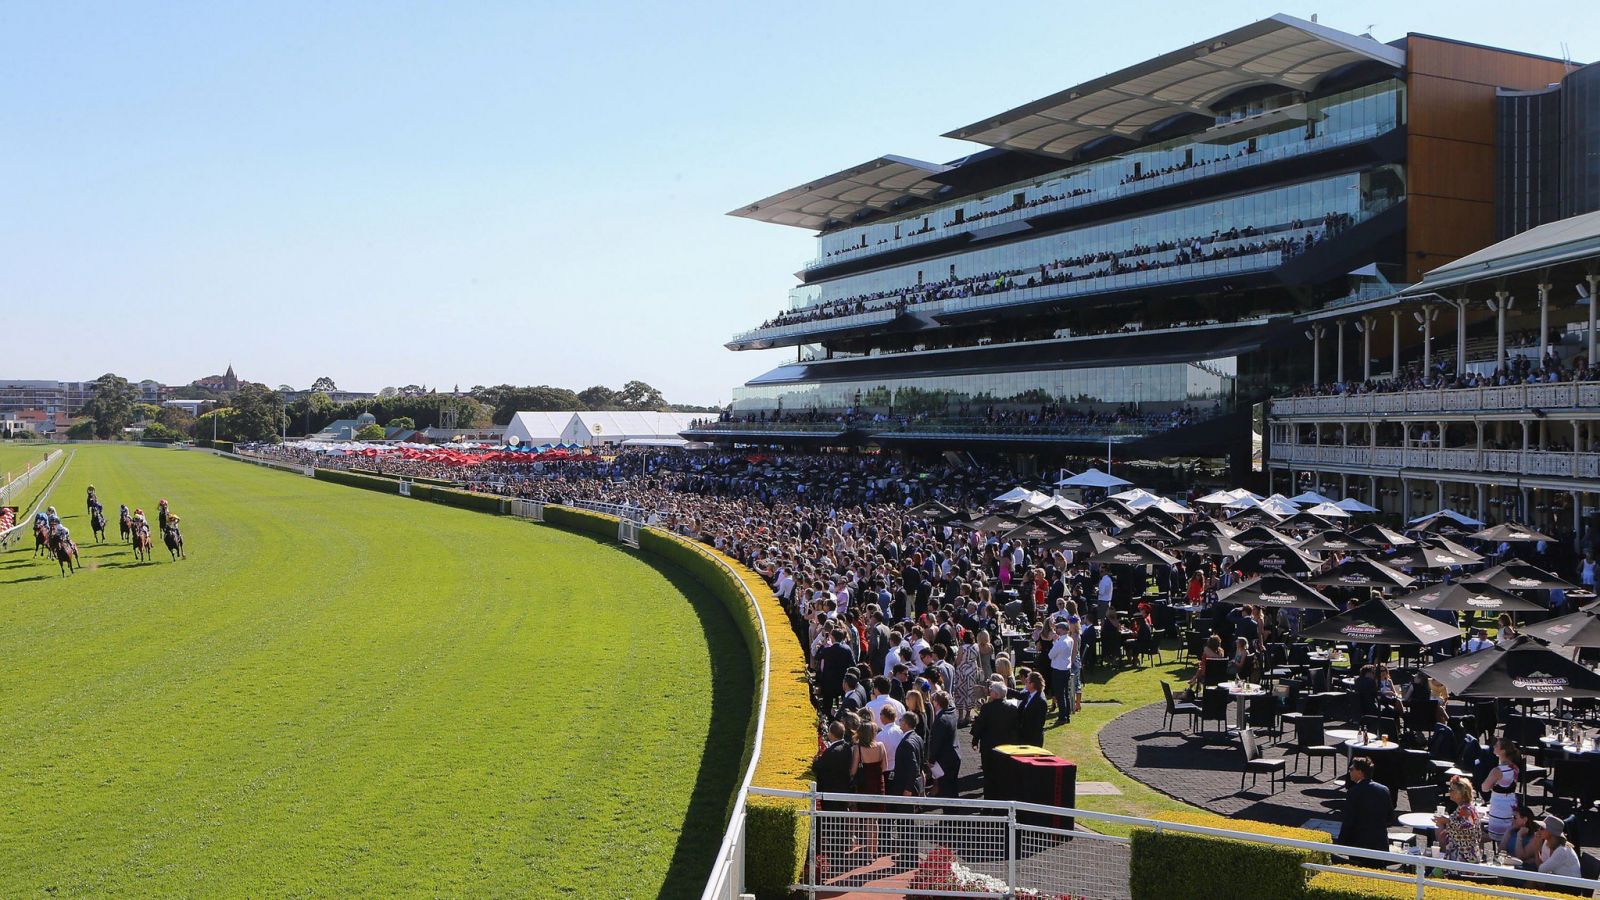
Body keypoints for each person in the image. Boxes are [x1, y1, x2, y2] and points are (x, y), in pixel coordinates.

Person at [970, 682, 1020, 798]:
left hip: (988, 747)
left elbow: (980, 725)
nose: (989, 692)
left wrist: (975, 740)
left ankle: (988, 804)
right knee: (1003, 775)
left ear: (996, 694)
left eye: (991, 691)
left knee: (988, 776)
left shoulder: (987, 708)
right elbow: (1015, 728)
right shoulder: (1012, 708)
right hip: (1005, 748)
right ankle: (1002, 804)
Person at [1337, 757, 1392, 859]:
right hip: (1380, 843)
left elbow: (1349, 820)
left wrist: (1341, 844)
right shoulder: (1384, 790)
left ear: (1360, 772)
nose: (1349, 772)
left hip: (1359, 845)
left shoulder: (1353, 792)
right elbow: (1390, 818)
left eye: (1351, 769)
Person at [1435, 778, 1485, 864]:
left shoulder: (1466, 809)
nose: (1449, 791)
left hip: (1464, 856)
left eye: (1452, 790)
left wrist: (1447, 821)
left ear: (1462, 793)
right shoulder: (1462, 807)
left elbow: (1469, 825)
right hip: (1458, 853)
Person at [1481, 738, 1522, 840]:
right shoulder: (1515, 767)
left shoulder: (1497, 771)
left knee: (1491, 836)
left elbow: (1484, 788)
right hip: (1511, 804)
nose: (1494, 747)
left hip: (1499, 807)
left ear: (1503, 751)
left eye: (1496, 746)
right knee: (1506, 837)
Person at [926, 690, 961, 798]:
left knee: (946, 788)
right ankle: (953, 811)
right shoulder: (952, 713)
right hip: (954, 755)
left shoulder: (941, 720)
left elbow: (937, 742)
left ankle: (950, 811)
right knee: (952, 786)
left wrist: (931, 760)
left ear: (936, 703)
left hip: (945, 760)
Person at [889, 713, 925, 797]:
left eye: (901, 720)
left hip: (906, 787)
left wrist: (908, 789)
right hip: (914, 785)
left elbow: (913, 768)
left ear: (905, 724)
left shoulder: (906, 743)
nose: (899, 721)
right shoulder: (918, 738)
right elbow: (921, 762)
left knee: (905, 810)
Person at [1047, 621, 1075, 725]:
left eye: (1058, 628)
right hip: (1066, 669)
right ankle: (1066, 716)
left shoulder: (1060, 642)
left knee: (1060, 695)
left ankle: (1062, 717)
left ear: (1063, 630)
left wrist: (1055, 641)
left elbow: (1050, 655)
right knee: (1066, 694)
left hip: (1058, 670)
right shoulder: (1070, 640)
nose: (1057, 630)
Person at [952, 631, 980, 727]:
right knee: (970, 693)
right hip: (972, 671)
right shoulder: (976, 646)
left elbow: (958, 661)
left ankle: (960, 716)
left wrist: (955, 659)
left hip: (962, 672)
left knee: (960, 693)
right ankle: (968, 715)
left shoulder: (962, 648)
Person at [1018, 671, 1048, 747]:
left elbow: (1039, 725)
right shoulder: (1029, 694)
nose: (1025, 683)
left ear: (1032, 684)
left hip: (1032, 740)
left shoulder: (1040, 701)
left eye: (1027, 681)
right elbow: (1018, 695)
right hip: (1024, 736)